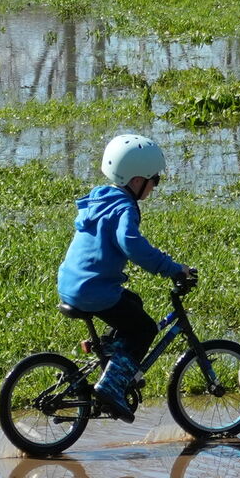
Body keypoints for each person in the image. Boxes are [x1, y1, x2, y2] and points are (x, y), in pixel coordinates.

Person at [59, 132, 192, 415]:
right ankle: (111, 387)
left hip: (73, 283)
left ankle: (110, 353)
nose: (155, 186)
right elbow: (131, 244)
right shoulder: (124, 208)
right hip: (94, 290)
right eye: (154, 180)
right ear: (136, 181)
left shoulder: (101, 198)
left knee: (132, 304)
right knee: (144, 328)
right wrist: (171, 268)